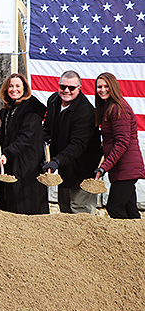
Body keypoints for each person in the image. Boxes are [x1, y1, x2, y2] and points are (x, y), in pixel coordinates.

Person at [42, 70, 101, 214]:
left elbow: (78, 144)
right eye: (63, 87)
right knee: (65, 209)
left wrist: (57, 161)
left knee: (79, 210)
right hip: (64, 169)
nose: (66, 91)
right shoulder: (53, 101)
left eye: (71, 88)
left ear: (79, 88)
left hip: (83, 170)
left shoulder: (86, 111)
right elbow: (47, 129)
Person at [94, 72, 144, 219]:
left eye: (106, 86)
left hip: (126, 168)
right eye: (99, 87)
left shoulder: (118, 109)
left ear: (113, 87)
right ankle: (138, 240)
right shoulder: (108, 107)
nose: (102, 90)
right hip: (121, 169)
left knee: (114, 207)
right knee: (130, 211)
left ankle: (125, 240)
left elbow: (122, 143)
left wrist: (104, 167)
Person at [0, 73, 48, 214]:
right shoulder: (8, 109)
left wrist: (7, 153)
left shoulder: (31, 109)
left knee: (23, 202)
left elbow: (26, 136)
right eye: (10, 86)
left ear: (24, 88)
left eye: (18, 86)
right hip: (11, 159)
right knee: (8, 200)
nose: (14, 89)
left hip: (27, 163)